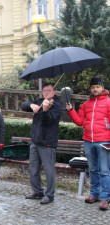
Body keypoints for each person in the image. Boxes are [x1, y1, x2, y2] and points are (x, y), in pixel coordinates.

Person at [66, 77, 110, 211]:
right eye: (93, 87)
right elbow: (79, 121)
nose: (95, 89)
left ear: (102, 88)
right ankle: (94, 194)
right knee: (93, 170)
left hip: (103, 141)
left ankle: (104, 198)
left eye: (97, 87)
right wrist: (70, 110)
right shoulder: (86, 104)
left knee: (104, 171)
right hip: (88, 141)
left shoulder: (108, 102)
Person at [21, 83, 62, 204]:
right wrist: (31, 105)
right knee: (33, 168)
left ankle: (49, 195)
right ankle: (38, 191)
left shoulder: (57, 106)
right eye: (44, 90)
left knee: (49, 171)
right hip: (35, 142)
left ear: (54, 92)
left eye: (49, 90)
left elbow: (48, 120)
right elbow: (23, 105)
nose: (46, 92)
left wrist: (45, 110)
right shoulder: (39, 100)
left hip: (47, 143)